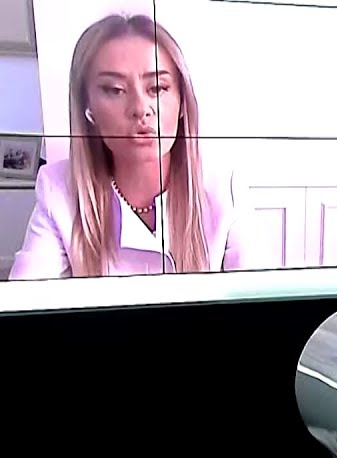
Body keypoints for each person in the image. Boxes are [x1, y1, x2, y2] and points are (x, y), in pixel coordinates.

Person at [10, 14, 260, 280]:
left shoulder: (225, 187)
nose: (141, 109)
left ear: (182, 103)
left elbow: (260, 295)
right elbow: (27, 299)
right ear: (88, 109)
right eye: (115, 90)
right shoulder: (59, 189)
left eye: (158, 88)